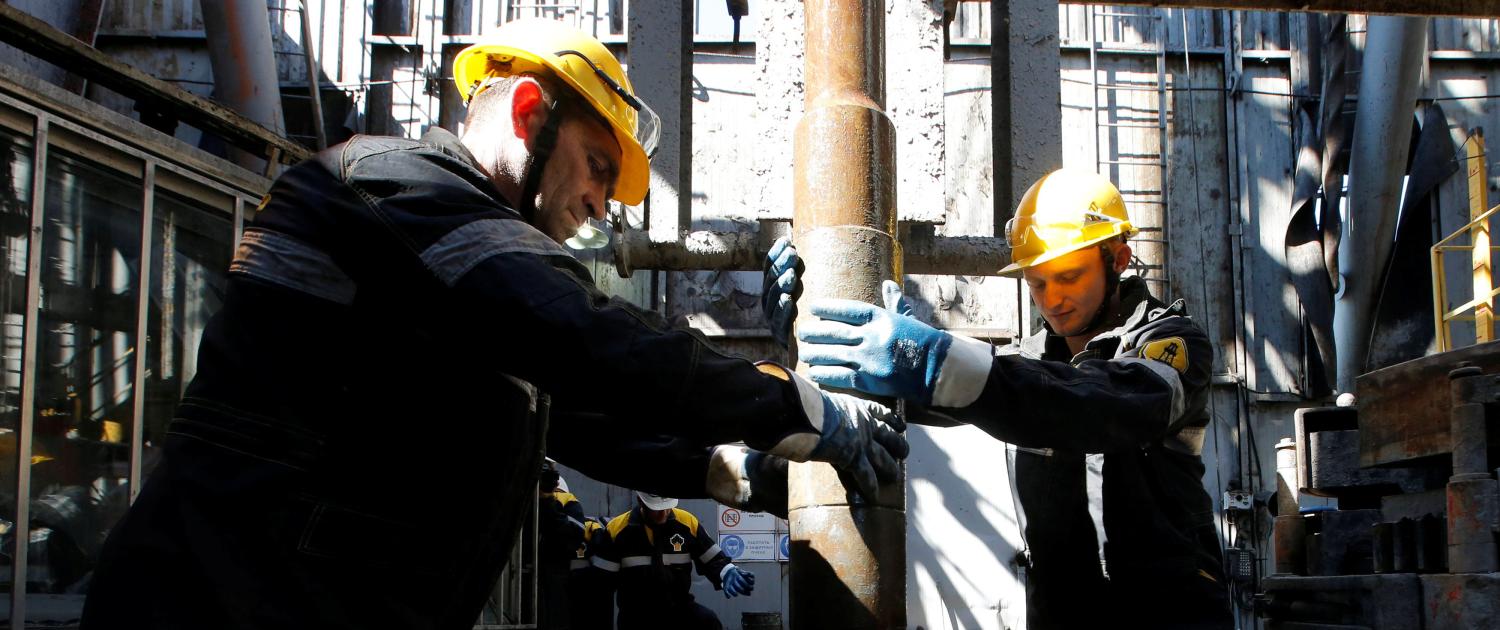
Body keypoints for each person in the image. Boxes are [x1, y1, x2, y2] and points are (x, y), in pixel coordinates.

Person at [79, 19, 907, 630]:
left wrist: (736, 471)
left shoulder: (456, 279)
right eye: (595, 167)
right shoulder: (401, 190)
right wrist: (804, 410)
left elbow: (572, 418)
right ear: (525, 113)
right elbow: (592, 342)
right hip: (221, 602)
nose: (596, 206)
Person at [779, 169, 1232, 629]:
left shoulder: (1172, 344)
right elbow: (957, 394)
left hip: (1171, 611)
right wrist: (804, 329)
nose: (1052, 300)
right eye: (1037, 283)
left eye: (1069, 276)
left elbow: (1106, 404)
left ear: (1118, 259)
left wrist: (936, 361)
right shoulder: (1033, 363)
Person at [591, 492, 753, 630]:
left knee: (708, 622)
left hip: (678, 609)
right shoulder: (617, 531)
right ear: (641, 501)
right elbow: (602, 587)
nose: (664, 513)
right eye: (657, 509)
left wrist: (726, 571)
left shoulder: (687, 523)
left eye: (667, 507)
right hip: (636, 616)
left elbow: (711, 558)